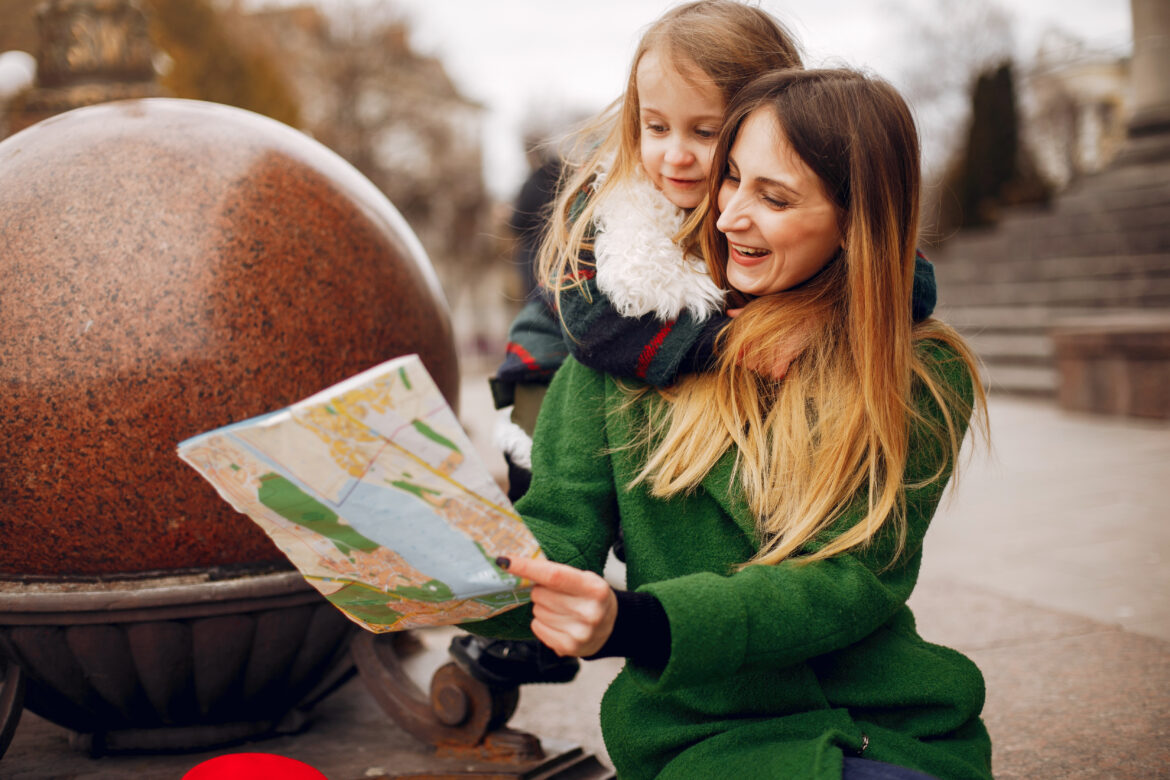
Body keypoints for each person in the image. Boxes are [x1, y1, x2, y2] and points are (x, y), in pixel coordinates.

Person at [469, 67, 993, 780]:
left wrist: (637, 623)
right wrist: (448, 571)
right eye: (732, 179)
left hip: (889, 724)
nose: (727, 217)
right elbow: (557, 535)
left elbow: (849, 580)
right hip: (704, 738)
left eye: (773, 197)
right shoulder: (621, 350)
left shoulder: (919, 372)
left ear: (854, 223)